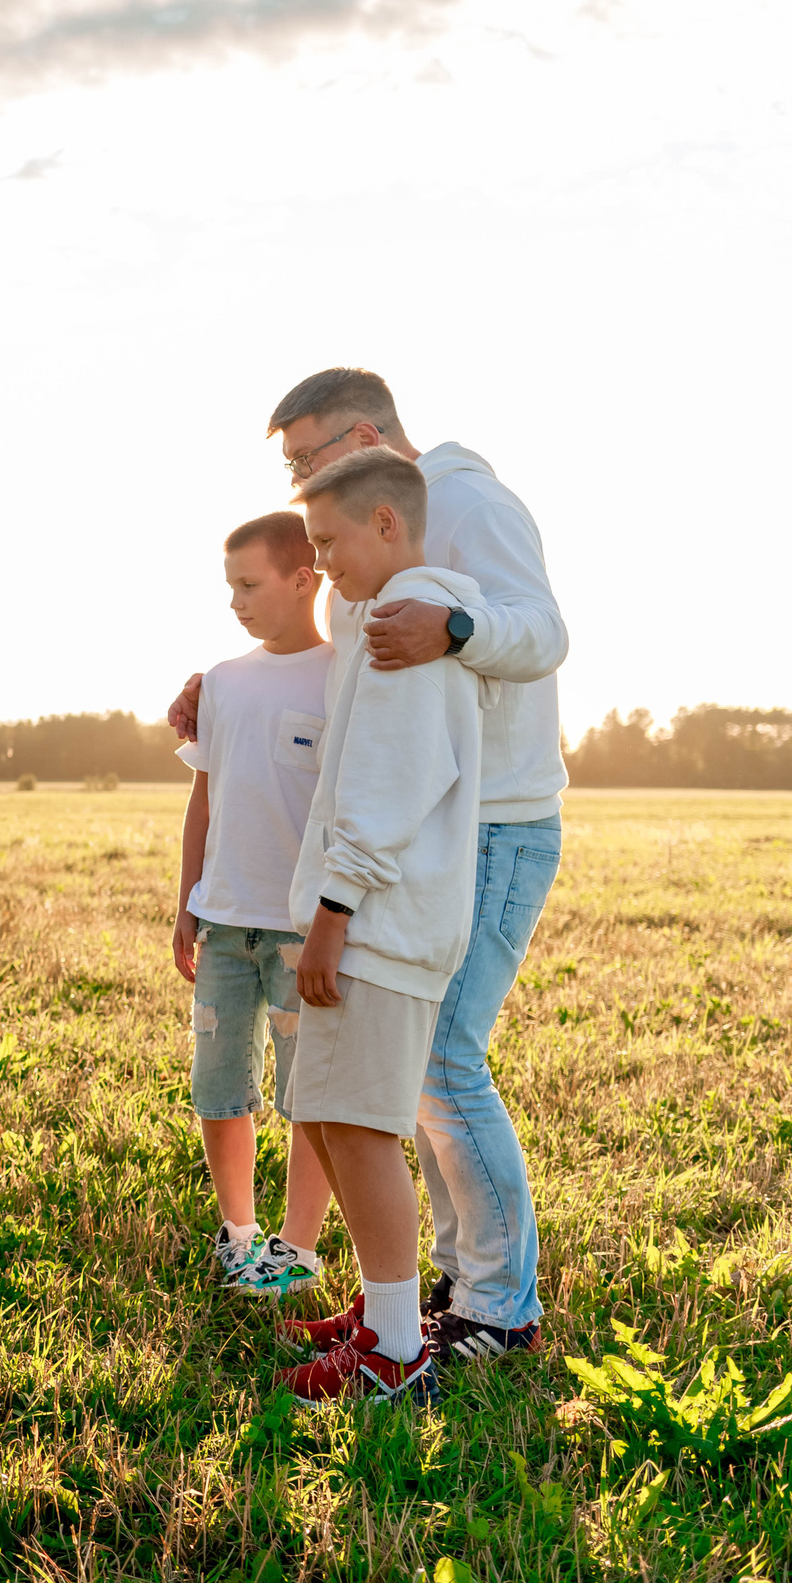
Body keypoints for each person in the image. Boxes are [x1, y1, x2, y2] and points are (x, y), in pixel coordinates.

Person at [169, 368, 566, 1363]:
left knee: (440, 1062)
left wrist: (457, 629)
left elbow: (543, 632)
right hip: (410, 833)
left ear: (361, 441)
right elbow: (347, 690)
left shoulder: (466, 504)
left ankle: (498, 1308)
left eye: (307, 457)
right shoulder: (364, 552)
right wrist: (226, 696)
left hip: (487, 822)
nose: (299, 482)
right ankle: (447, 1291)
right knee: (412, 1077)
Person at [267, 447, 491, 1403]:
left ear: (388, 523)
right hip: (370, 919)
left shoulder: (407, 623)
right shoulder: (389, 617)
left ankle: (394, 1353)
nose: (320, 564)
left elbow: (388, 785)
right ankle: (383, 1309)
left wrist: (332, 915)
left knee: (357, 1128)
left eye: (329, 542)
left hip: (376, 923)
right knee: (325, 1113)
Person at [171, 512, 337, 1300]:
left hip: (302, 931)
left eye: (249, 584)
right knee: (219, 1085)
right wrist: (187, 902)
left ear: (303, 579)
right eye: (229, 586)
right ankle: (238, 1234)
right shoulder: (223, 681)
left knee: (311, 1096)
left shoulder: (343, 677)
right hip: (225, 920)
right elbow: (202, 800)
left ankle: (296, 1246)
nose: (235, 600)